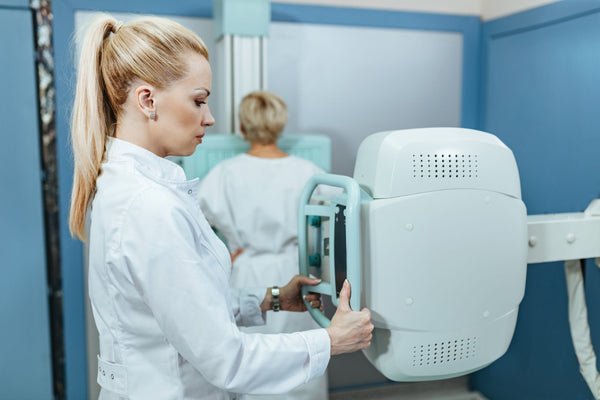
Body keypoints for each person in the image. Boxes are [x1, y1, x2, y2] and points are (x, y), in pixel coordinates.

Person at [68, 14, 373, 400]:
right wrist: (332, 340)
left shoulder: (135, 189)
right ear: (147, 100)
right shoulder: (149, 206)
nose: (209, 119)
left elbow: (185, 306)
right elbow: (228, 360)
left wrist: (272, 298)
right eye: (198, 101)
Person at [198, 91, 337, 399]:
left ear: (243, 127)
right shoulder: (308, 172)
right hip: (296, 271)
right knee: (302, 352)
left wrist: (230, 249)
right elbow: (331, 217)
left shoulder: (225, 174)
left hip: (247, 269)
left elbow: (197, 219)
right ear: (279, 125)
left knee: (252, 358)